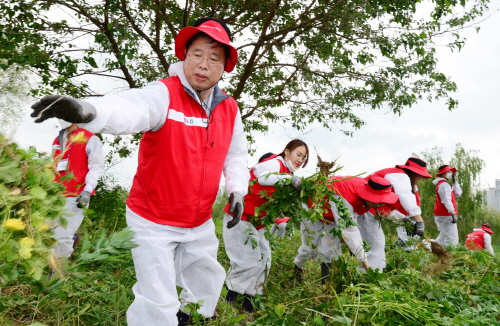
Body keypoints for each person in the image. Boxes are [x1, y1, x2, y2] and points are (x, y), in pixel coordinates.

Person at [31, 17, 249, 326]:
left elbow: (236, 155)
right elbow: (127, 109)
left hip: (198, 220)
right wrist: (88, 111)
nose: (204, 64)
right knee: (157, 299)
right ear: (184, 56)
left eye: (214, 58)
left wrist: (237, 189)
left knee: (205, 286)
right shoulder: (163, 94)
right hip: (153, 220)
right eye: (197, 53)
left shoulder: (229, 109)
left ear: (225, 66)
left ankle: (186, 319)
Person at [223, 139, 308, 313]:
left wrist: (280, 219)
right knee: (247, 261)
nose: (300, 159)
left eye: (304, 157)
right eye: (298, 154)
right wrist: (288, 179)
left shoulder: (288, 175)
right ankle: (229, 299)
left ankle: (250, 300)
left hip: (259, 223)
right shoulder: (275, 163)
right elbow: (260, 174)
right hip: (241, 217)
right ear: (287, 152)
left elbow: (271, 202)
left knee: (265, 260)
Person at [293, 176, 399, 283]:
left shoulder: (363, 193)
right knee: (310, 247)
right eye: (379, 202)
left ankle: (326, 285)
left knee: (330, 249)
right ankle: (297, 270)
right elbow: (350, 231)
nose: (379, 206)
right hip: (313, 209)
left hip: (331, 214)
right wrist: (367, 265)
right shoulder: (344, 198)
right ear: (370, 197)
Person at [359, 157, 432, 271]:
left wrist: (402, 219)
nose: (420, 179)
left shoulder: (394, 176)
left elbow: (387, 208)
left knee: (376, 243)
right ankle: (370, 277)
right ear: (413, 173)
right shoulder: (399, 175)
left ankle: (375, 273)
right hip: (364, 207)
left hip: (366, 208)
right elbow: (405, 195)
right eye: (420, 176)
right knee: (375, 244)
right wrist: (418, 219)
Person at [51, 121, 104, 259]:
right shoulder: (58, 139)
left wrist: (87, 190)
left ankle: (58, 274)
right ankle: (72, 240)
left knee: (62, 238)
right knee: (49, 233)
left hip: (76, 195)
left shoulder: (90, 139)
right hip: (56, 194)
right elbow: (54, 165)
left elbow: (97, 167)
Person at [432, 165, 462, 246]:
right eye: (448, 172)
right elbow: (446, 200)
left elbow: (458, 193)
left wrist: (455, 182)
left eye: (451, 172)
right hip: (446, 214)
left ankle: (426, 247)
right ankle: (449, 256)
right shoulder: (443, 185)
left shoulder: (446, 184)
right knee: (452, 239)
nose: (451, 173)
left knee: (442, 239)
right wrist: (452, 212)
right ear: (443, 174)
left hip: (444, 214)